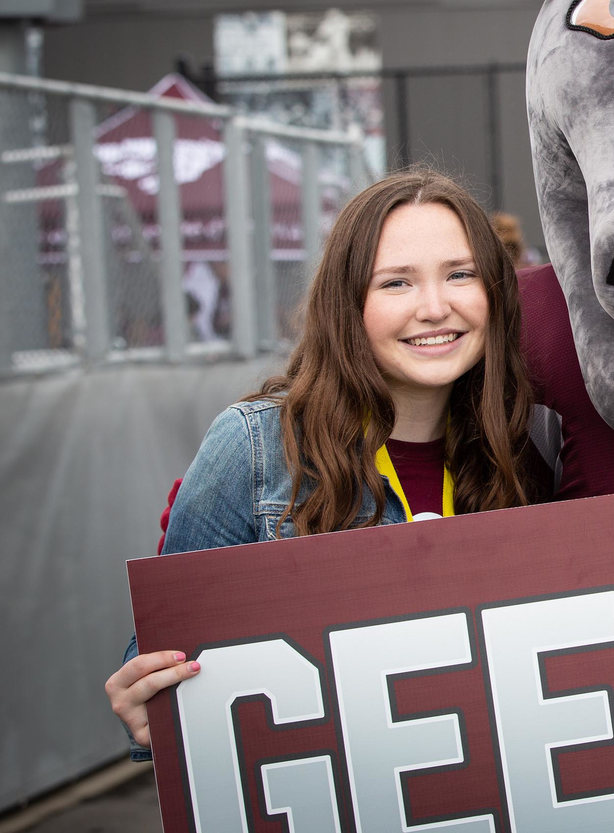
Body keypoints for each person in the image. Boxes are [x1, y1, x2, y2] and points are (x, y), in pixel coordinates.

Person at [104, 169, 539, 756]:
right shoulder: (255, 448)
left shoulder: (524, 444)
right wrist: (145, 702)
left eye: (460, 274)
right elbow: (163, 665)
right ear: (347, 303)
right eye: (396, 283)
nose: (435, 307)